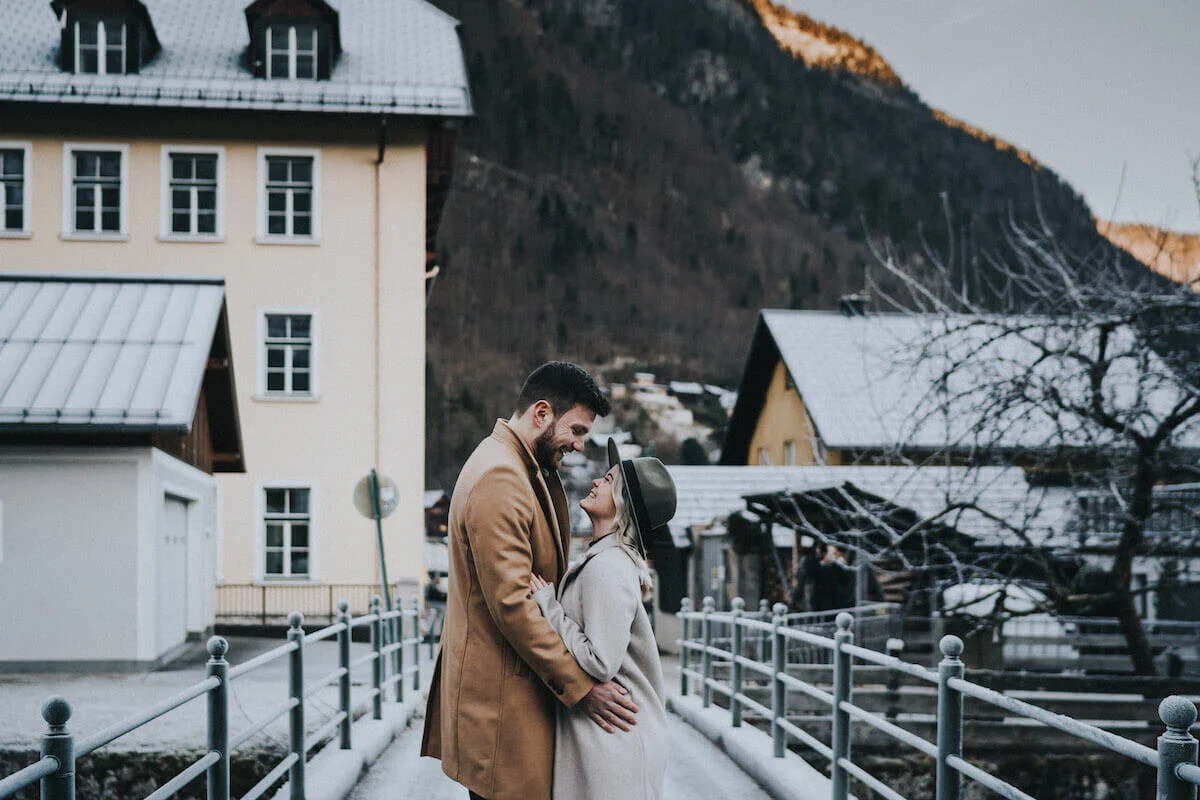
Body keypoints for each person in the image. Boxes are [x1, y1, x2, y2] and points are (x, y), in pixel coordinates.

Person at [421, 362, 638, 800]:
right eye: (576, 430)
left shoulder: (522, 466)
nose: (579, 445)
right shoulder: (501, 477)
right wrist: (582, 689)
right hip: (502, 709)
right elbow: (513, 604)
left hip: (510, 700)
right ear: (541, 413)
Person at [529, 439, 675, 800]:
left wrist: (549, 607)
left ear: (622, 504)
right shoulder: (604, 560)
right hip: (608, 739)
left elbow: (601, 661)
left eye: (608, 480)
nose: (596, 481)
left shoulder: (608, 567)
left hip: (615, 744)